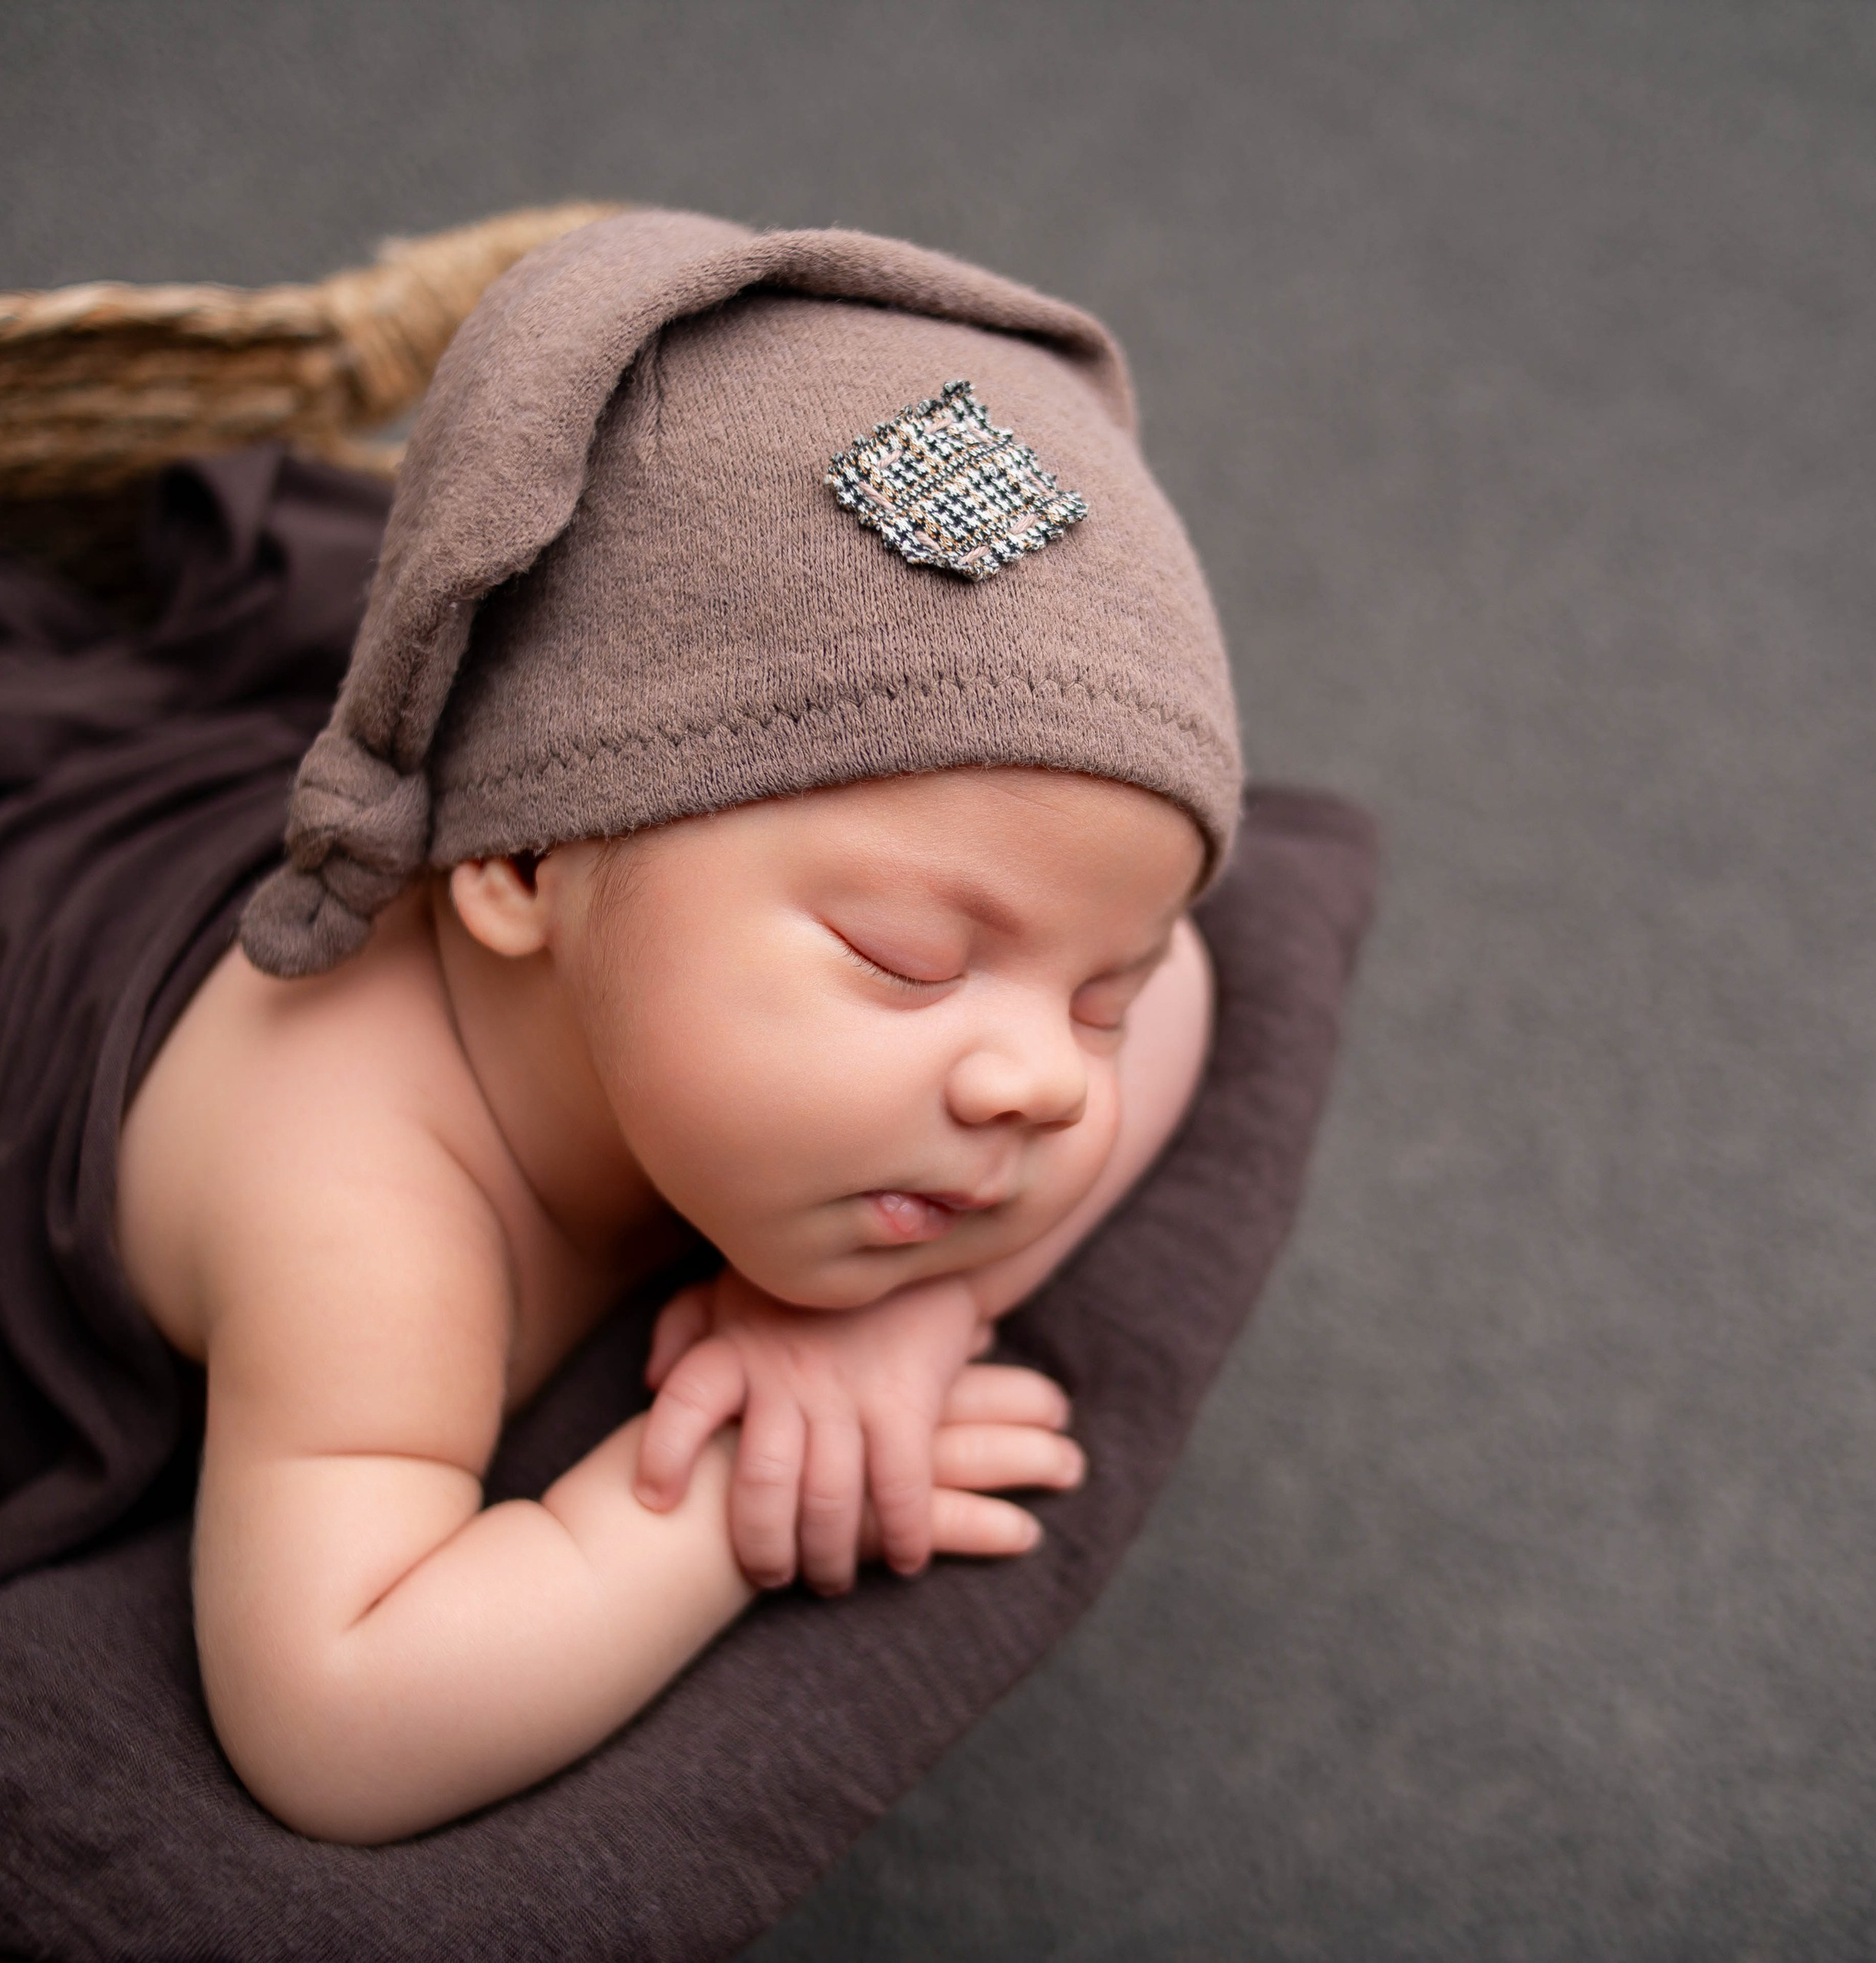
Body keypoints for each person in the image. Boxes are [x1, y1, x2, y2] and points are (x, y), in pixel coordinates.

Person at [112, 210, 1243, 1844]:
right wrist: (740, 1485)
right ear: (512, 863)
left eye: (1095, 995)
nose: (1048, 1080)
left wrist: (894, 1316)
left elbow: (1188, 972)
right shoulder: (362, 1203)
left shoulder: (824, 996)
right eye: (908, 958)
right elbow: (334, 1713)